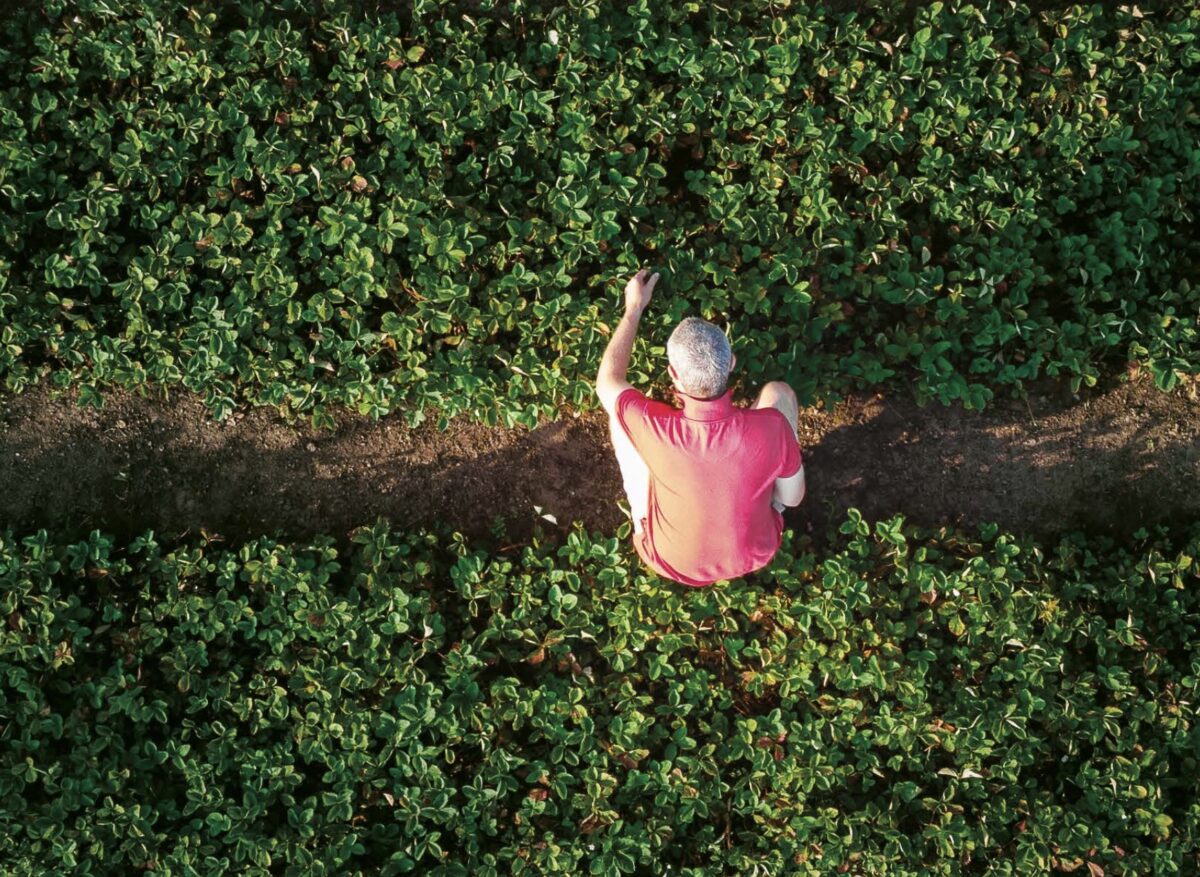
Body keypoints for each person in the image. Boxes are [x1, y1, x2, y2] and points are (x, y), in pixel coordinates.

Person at [595, 268, 806, 587]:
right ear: (732, 362)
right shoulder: (772, 427)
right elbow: (793, 499)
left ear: (673, 375)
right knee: (779, 393)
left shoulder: (651, 424)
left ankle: (641, 511)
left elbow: (607, 382)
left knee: (619, 418)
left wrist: (633, 309)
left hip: (668, 560)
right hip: (755, 553)